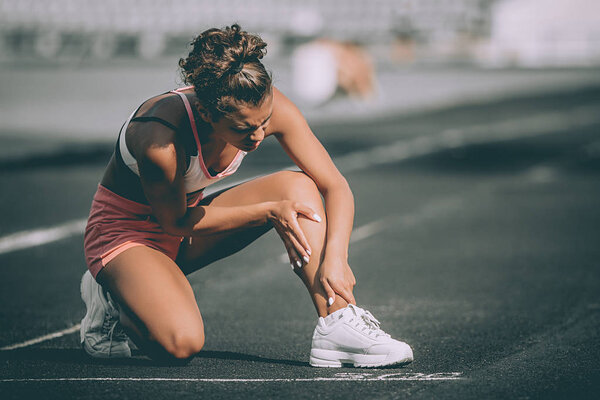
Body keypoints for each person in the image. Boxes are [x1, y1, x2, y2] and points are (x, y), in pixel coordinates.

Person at [80, 24, 413, 368]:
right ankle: (114, 296)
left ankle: (337, 322)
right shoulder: (159, 139)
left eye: (264, 122)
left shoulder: (262, 103)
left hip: (185, 226)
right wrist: (268, 212)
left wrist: (337, 258)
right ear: (207, 114)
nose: (257, 136)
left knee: (298, 187)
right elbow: (175, 223)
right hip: (127, 237)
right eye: (243, 129)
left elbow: (335, 185)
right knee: (181, 344)